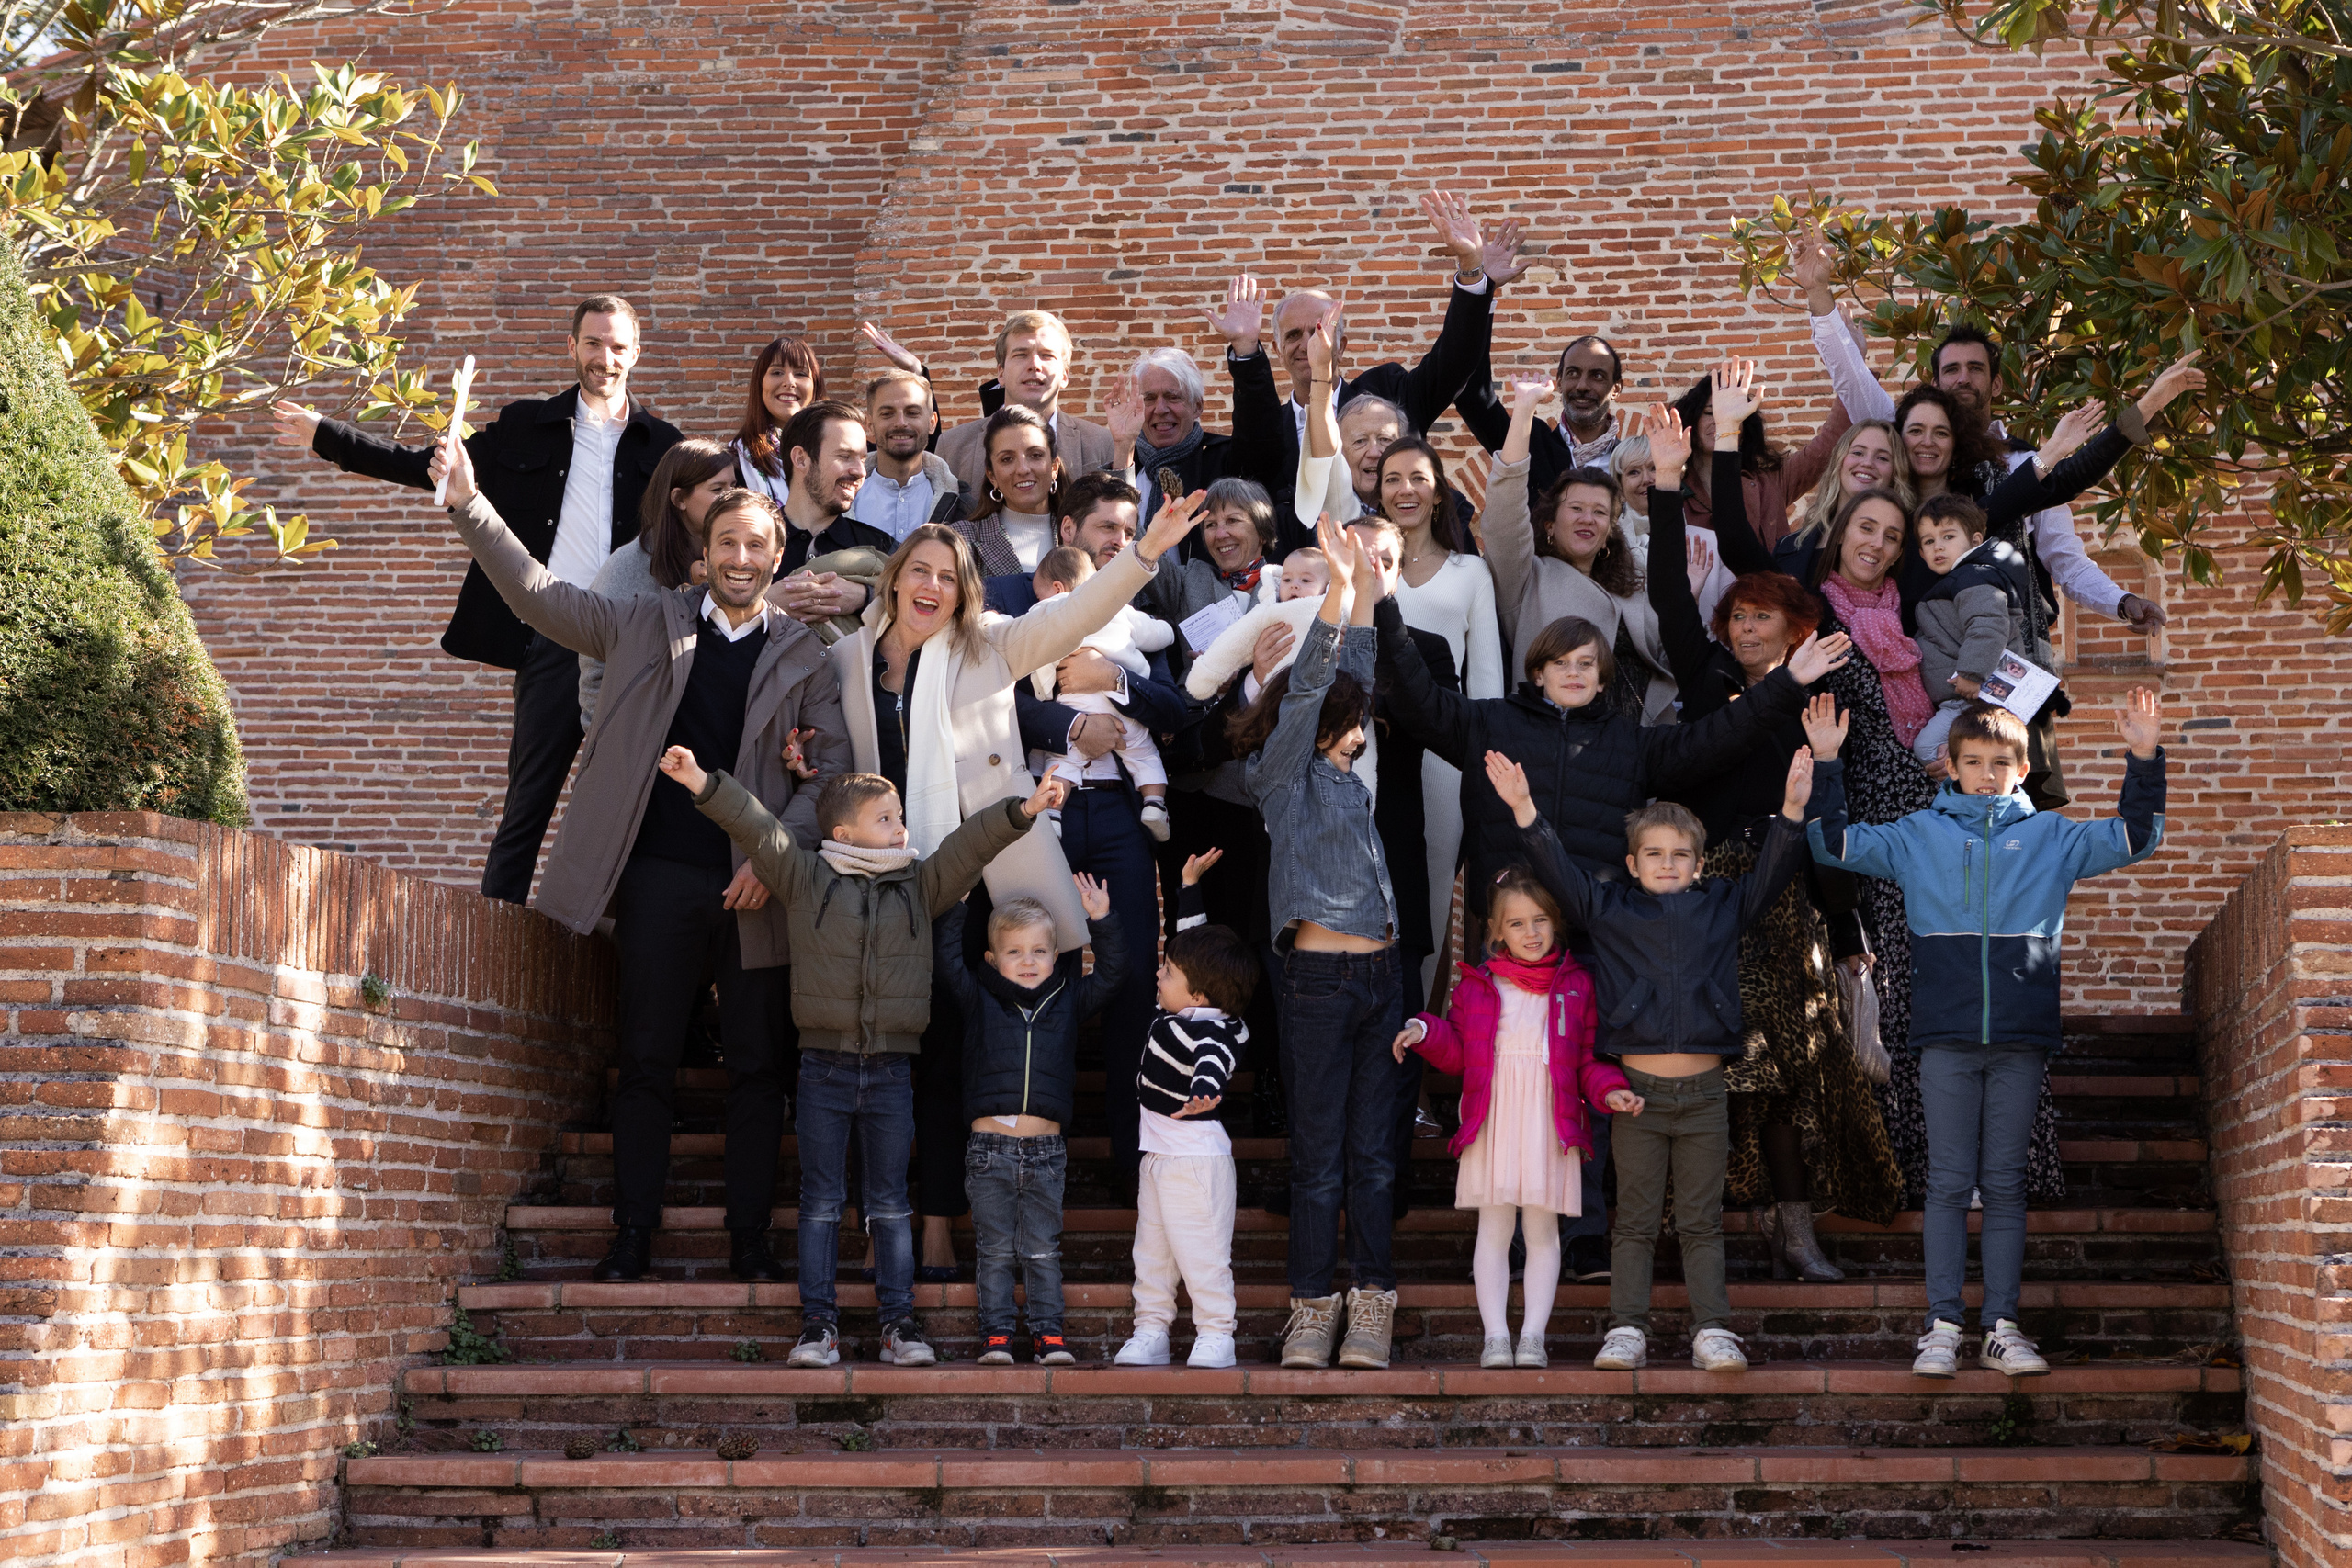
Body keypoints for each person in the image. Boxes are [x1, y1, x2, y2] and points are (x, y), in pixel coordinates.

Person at [427, 433, 843, 1287]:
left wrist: (774, 854)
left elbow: (827, 783)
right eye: (724, 541)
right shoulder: (642, 621)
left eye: (754, 544)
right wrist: (471, 504)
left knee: (761, 1068)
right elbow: (539, 596)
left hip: (756, 881)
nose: (738, 556)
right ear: (703, 551)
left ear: (775, 556)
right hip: (657, 874)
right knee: (647, 1057)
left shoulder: (807, 655)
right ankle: (632, 1233)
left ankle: (749, 1241)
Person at [829, 497, 1209, 1276]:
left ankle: (937, 1217)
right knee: (884, 1056)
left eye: (949, 576)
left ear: (966, 591)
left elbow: (1073, 616)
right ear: (895, 581)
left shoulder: (990, 647)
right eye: (919, 573)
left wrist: (1140, 557)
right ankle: (884, 1211)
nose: (932, 586)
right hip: (882, 881)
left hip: (974, 879)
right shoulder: (846, 660)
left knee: (950, 1055)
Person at [268, 296, 683, 903]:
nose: (605, 357)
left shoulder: (664, 446)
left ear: (636, 354)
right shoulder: (524, 424)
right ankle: (498, 928)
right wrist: (329, 437)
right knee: (527, 806)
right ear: (572, 347)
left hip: (631, 646)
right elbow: (429, 470)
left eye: (618, 346)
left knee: (637, 799)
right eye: (593, 343)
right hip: (556, 635)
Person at [663, 751, 1070, 1368]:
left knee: (888, 1202)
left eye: (900, 815)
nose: (900, 827)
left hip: (890, 1070)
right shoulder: (804, 876)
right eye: (886, 818)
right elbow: (754, 825)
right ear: (844, 833)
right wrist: (700, 779)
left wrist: (1026, 809)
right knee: (822, 1201)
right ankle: (818, 1327)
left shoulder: (920, 884)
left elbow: (969, 843)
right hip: (823, 1068)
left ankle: (897, 1325)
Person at [1805, 692, 2167, 1377]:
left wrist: (2143, 756)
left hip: (2020, 1034)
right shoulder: (1917, 834)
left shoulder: (2054, 839)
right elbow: (1833, 842)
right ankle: (1942, 1323)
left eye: (2001, 762)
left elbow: (2135, 836)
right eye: (1972, 761)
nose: (1986, 774)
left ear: (2024, 768)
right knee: (1946, 1182)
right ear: (1950, 765)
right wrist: (1828, 762)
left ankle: (2002, 1325)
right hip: (1944, 1034)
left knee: (2003, 1184)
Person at [1643, 400, 1905, 1267]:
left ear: (1800, 631)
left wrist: (1843, 928)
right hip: (1708, 893)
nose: (1747, 627)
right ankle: (1699, 1226)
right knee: (1709, 1064)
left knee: (1789, 1067)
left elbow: (1829, 818)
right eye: (1740, 618)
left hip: (1786, 898)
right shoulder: (1706, 675)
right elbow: (1672, 590)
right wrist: (1669, 485)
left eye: (1765, 618)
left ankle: (1793, 1228)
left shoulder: (1816, 700)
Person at [1496, 749, 1818, 1375]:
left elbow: (1773, 871)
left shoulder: (1724, 906)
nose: (1666, 864)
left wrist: (1793, 810)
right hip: (1636, 1095)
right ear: (1632, 863)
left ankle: (1713, 1329)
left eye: (1679, 855)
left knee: (1701, 1223)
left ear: (1699, 865)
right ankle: (1626, 1329)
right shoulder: (1609, 910)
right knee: (1636, 1222)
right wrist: (1525, 810)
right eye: (1653, 854)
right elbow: (1559, 872)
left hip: (1703, 1095)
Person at [1230, 517, 1407, 1371]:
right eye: (1352, 719)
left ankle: (1371, 1305)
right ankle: (1312, 1308)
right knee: (1319, 1157)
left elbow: (1357, 671)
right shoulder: (1283, 775)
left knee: (1375, 1156)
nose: (1361, 728)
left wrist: (1365, 584)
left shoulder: (1346, 772)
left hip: (1380, 977)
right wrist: (1335, 594)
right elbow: (1311, 690)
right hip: (1317, 982)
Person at [1393, 867, 1634, 1367]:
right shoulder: (1478, 988)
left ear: (1556, 925)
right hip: (1495, 1120)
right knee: (1495, 1230)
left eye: (1540, 921)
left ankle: (1533, 1339)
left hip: (1550, 1121)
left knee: (1543, 1232)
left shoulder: (1576, 987)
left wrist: (1611, 1091)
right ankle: (1496, 1337)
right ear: (1497, 932)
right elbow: (1459, 1053)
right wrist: (1424, 1029)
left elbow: (1588, 1061)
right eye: (1518, 923)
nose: (1531, 933)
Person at [934, 874, 1125, 1368]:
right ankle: (996, 1336)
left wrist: (1100, 920)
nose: (1027, 961)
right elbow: (946, 964)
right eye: (1015, 952)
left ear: (1056, 957)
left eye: (1039, 951)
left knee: (1042, 1249)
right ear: (994, 960)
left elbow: (1112, 975)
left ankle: (1048, 1336)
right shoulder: (979, 998)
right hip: (989, 1152)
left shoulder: (1067, 1001)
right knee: (995, 1249)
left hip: (1046, 1154)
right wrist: (956, 908)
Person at [1227, 190, 1501, 525]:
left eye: (1319, 330)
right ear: (1277, 349)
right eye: (1293, 335)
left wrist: (1472, 268)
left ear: (1342, 345)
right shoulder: (1269, 433)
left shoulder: (1388, 393)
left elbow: (1455, 361)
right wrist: (1244, 346)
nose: (1308, 344)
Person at [1114, 852, 1256, 1370]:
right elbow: (1192, 944)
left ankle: (1217, 1333)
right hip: (1158, 1155)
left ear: (1198, 994)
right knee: (1151, 1255)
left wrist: (1205, 1089)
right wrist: (1189, 888)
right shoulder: (1183, 1006)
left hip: (1194, 1161)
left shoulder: (1214, 1028)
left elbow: (1213, 1063)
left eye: (1167, 972)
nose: (1159, 973)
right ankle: (1150, 1329)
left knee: (1202, 1254)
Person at [1486, 380, 1675, 724]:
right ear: (1549, 525)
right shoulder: (1527, 580)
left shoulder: (1633, 582)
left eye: (1600, 512)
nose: (1588, 518)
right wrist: (1525, 409)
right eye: (1576, 508)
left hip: (1645, 748)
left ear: (1609, 533)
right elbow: (1503, 517)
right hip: (1560, 749)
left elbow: (1668, 653)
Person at [579, 438, 734, 727]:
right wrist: (617, 738)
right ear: (679, 499)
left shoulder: (734, 559)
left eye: (733, 486)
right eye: (717, 489)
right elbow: (595, 670)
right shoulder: (630, 566)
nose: (731, 498)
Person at [1024, 547, 1176, 840]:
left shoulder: (1048, 610)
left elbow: (1039, 662)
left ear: (1057, 588)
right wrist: (1168, 630)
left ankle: (1053, 812)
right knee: (1144, 754)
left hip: (1075, 703)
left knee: (1061, 761)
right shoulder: (1118, 608)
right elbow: (1156, 636)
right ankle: (1155, 803)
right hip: (1124, 705)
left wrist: (1044, 691)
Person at [1911, 494, 2050, 765]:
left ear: (1975, 540)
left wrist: (1971, 673)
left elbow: (1988, 625)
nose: (1938, 547)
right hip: (1965, 698)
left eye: (1948, 537)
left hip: (1977, 697)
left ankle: (1966, 796)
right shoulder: (1963, 578)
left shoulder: (1974, 577)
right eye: (1929, 541)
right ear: (1921, 553)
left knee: (1927, 749)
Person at [937, 310, 1116, 500]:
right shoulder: (952, 447)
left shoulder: (1101, 444)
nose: (1034, 365)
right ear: (1001, 373)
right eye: (1021, 355)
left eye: (1047, 355)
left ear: (1064, 375)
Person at [1455, 331, 1633, 495]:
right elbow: (1472, 397)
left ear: (1616, 389)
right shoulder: (1527, 443)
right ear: (1560, 382)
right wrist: (1480, 301)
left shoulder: (1633, 464)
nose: (1582, 386)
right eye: (1573, 373)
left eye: (1598, 376)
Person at [956, 405, 1069, 578]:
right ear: (992, 475)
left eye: (1036, 455)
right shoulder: (962, 540)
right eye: (1007, 459)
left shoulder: (1079, 533)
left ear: (1054, 467)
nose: (1023, 469)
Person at [854, 370, 965, 541]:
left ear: (932, 423)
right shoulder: (842, 503)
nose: (900, 423)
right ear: (869, 424)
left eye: (912, 413)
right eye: (887, 414)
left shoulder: (961, 505)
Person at [732, 333, 826, 507]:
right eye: (777, 372)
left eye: (800, 373)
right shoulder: (733, 461)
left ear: (815, 387)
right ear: (760, 384)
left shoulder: (840, 452)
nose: (789, 382)